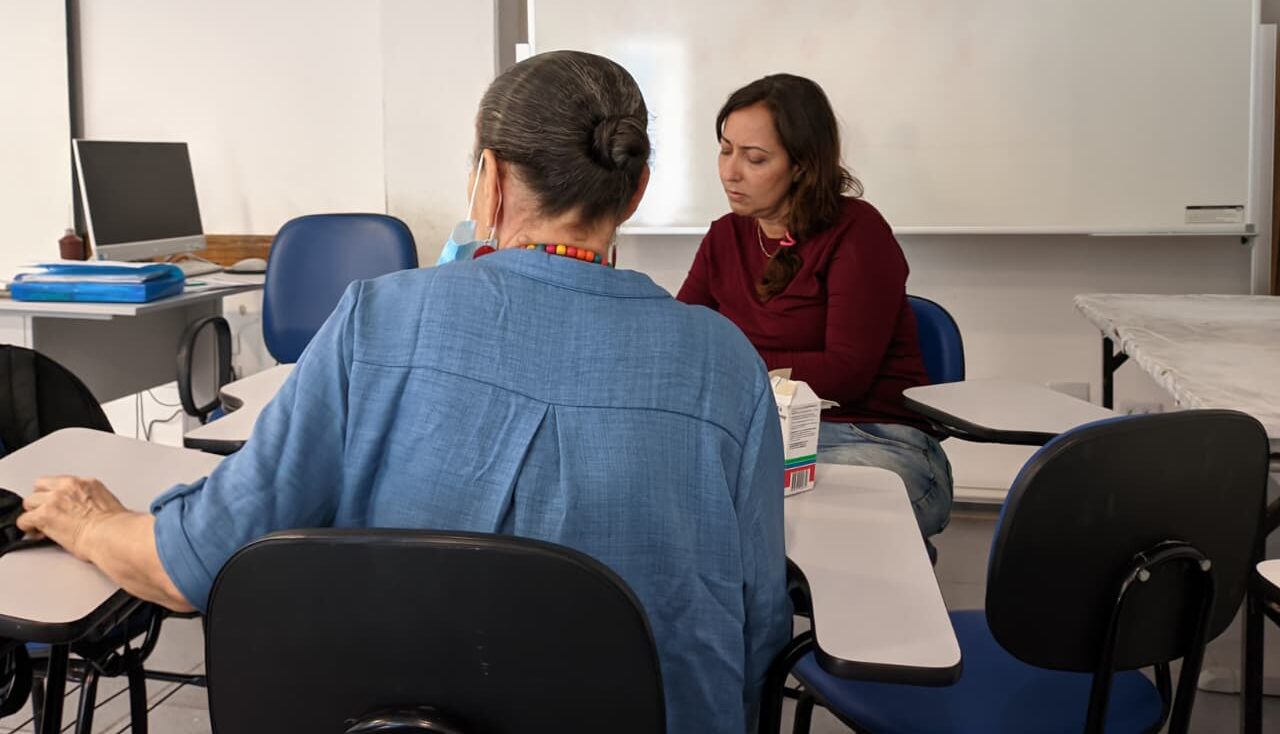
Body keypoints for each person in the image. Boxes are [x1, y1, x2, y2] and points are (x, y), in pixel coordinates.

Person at [19, 51, 790, 734]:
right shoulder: (726, 362)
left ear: (490, 180)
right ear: (637, 189)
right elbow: (758, 630)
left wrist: (90, 520)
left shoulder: (377, 319)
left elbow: (195, 564)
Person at [677, 74, 952, 539]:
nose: (730, 172)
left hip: (873, 437)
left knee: (770, 517)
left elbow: (844, 373)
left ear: (802, 166)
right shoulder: (724, 236)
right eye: (725, 150)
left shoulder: (859, 232)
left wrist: (725, 364)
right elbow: (684, 343)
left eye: (754, 158)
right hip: (760, 435)